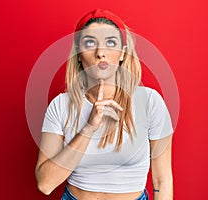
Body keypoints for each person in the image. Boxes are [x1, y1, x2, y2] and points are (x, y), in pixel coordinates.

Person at [35, 9, 174, 200]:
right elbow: (45, 184)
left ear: (123, 53)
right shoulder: (60, 106)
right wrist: (89, 128)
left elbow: (162, 181)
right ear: (79, 55)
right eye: (90, 43)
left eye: (110, 43)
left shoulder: (150, 102)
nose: (101, 53)